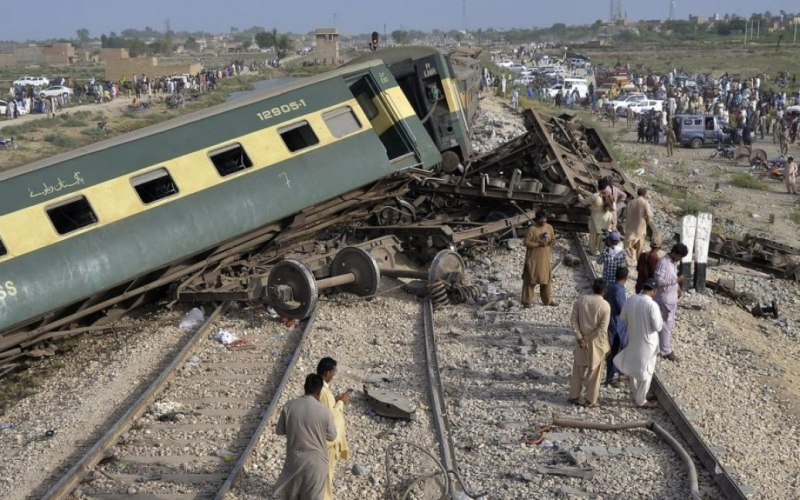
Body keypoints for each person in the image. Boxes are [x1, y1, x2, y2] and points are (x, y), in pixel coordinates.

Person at [275, 374, 337, 500]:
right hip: (316, 464)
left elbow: (279, 431)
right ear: (319, 392)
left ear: (304, 387)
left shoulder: (289, 406)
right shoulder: (324, 410)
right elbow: (332, 436)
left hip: (294, 461)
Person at [613, 278, 664, 408]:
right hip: (648, 343)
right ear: (654, 290)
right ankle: (641, 400)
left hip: (634, 338)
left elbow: (623, 317)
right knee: (647, 371)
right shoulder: (652, 305)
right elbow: (658, 327)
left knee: (635, 368)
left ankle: (638, 394)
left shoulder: (631, 300)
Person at [568, 278, 611, 408]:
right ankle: (590, 400)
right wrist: (587, 338)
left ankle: (574, 396)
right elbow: (602, 329)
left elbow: (573, 320)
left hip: (581, 342)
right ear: (605, 291)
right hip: (596, 343)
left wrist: (580, 337)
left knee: (578, 370)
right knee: (594, 372)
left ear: (593, 288)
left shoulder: (581, 300)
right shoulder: (605, 306)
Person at [316, 358, 350, 500]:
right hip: (328, 442)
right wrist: (341, 402)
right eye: (333, 372)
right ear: (327, 373)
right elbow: (329, 416)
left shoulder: (320, 388)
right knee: (326, 473)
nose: (334, 375)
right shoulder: (323, 392)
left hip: (326, 440)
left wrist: (335, 400)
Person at [654, 243, 690, 362]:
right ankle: (666, 350)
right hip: (664, 298)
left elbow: (672, 278)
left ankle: (662, 348)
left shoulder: (673, 263)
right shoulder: (663, 262)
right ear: (674, 253)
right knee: (666, 325)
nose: (680, 259)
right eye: (679, 256)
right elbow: (659, 281)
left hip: (671, 298)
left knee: (667, 324)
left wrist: (678, 287)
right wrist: (676, 280)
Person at [521, 210, 558, 307]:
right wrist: (538, 244)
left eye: (544, 218)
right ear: (537, 219)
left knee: (546, 280)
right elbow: (526, 243)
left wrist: (552, 242)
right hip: (533, 259)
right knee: (530, 280)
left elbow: (553, 239)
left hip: (545, 259)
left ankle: (547, 300)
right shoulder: (532, 229)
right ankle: (527, 302)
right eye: (541, 219)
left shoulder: (549, 227)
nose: (543, 220)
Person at [604, 267, 628, 386]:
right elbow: (622, 308)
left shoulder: (609, 286)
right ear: (625, 278)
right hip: (617, 324)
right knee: (615, 350)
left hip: (610, 321)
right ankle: (611, 377)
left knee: (615, 350)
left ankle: (618, 372)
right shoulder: (619, 290)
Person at [576, 186, 614, 255]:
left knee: (593, 236)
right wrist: (583, 191)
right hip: (607, 220)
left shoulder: (596, 197)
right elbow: (592, 195)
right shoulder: (610, 198)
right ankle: (602, 251)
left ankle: (593, 251)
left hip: (597, 219)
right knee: (602, 237)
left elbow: (583, 202)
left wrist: (579, 194)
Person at [623, 188, 654, 266]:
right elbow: (649, 215)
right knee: (639, 249)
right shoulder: (645, 203)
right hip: (641, 230)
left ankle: (628, 262)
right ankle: (639, 264)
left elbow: (624, 215)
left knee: (628, 247)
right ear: (644, 194)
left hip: (630, 229)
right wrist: (647, 221)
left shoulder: (630, 202)